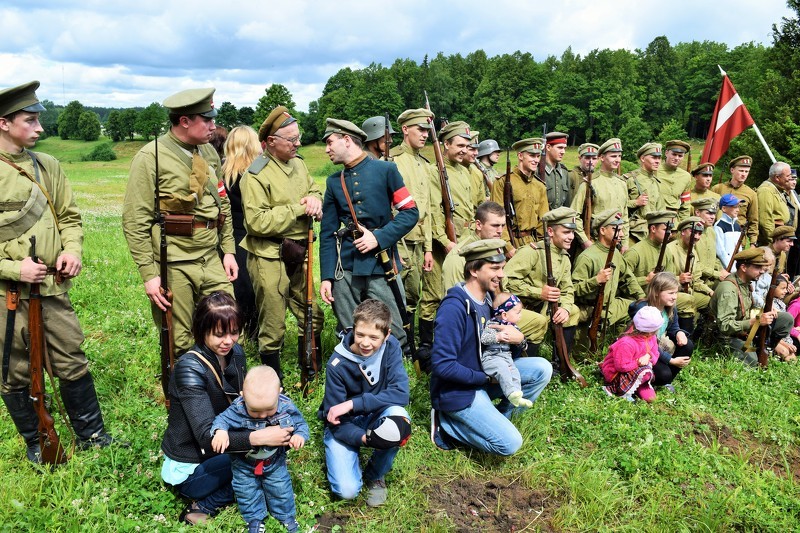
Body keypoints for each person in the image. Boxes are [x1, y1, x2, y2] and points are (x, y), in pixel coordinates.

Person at [0, 81, 115, 462]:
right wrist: (14, 268)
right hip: (7, 295)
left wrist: (72, 250)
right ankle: (38, 443)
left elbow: (69, 216)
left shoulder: (48, 166)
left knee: (71, 358)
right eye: (30, 121)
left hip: (51, 288)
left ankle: (93, 437)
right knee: (15, 371)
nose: (39, 128)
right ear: (4, 123)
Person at [161, 292, 295, 525]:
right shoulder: (188, 370)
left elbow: (243, 403)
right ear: (202, 330)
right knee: (262, 463)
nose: (228, 341)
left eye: (234, 332)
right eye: (219, 334)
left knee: (274, 450)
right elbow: (206, 437)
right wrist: (259, 437)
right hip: (194, 467)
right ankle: (204, 505)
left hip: (220, 449)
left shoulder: (236, 354)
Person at [123, 87, 238, 355]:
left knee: (227, 324)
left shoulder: (208, 152)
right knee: (180, 340)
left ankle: (223, 389)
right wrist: (149, 275)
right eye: (206, 120)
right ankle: (186, 394)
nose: (213, 125)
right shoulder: (151, 157)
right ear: (184, 121)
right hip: (174, 261)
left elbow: (223, 203)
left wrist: (229, 251)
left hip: (210, 257)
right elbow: (135, 220)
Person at [430, 239, 552, 455]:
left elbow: (498, 348)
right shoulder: (453, 308)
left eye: (502, 268)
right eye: (495, 268)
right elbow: (443, 367)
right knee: (510, 444)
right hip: (459, 391)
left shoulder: (489, 300)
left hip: (484, 375)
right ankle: (447, 426)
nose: (502, 275)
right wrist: (486, 379)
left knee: (542, 368)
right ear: (474, 270)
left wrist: (518, 341)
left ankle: (498, 422)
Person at [319, 118, 418, 352]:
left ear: (346, 140)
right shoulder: (334, 182)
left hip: (381, 264)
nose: (326, 149)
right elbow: (327, 233)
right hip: (346, 268)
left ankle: (390, 374)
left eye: (330, 142)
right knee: (349, 329)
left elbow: (410, 212)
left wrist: (379, 237)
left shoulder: (386, 171)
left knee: (395, 328)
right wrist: (327, 276)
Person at [241, 106, 324, 378]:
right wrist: (300, 209)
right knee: (274, 324)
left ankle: (311, 372)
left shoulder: (298, 163)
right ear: (271, 141)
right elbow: (256, 222)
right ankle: (271, 383)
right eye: (292, 140)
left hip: (299, 251)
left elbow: (313, 189)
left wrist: (316, 199)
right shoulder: (255, 174)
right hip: (269, 255)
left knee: (312, 314)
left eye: (298, 137)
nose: (298, 143)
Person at [319, 299, 411, 507]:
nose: (365, 343)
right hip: (343, 425)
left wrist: (353, 404)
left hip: (375, 413)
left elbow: (401, 394)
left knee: (400, 419)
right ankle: (347, 458)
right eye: (360, 335)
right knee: (347, 491)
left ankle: (375, 474)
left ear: (386, 335)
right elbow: (336, 421)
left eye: (374, 337)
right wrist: (367, 439)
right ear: (353, 329)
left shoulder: (391, 346)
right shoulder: (337, 363)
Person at [210, 366, 308, 533]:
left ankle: (285, 516)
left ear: (279, 393)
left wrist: (299, 435)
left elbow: (300, 424)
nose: (263, 416)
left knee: (281, 489)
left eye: (269, 409)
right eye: (255, 410)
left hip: (275, 461)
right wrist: (220, 431)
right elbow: (222, 419)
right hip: (243, 463)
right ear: (243, 396)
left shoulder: (286, 406)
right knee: (246, 492)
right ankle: (254, 519)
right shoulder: (238, 408)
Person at [417, 121, 480, 360]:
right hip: (443, 243)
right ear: (445, 145)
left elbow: (471, 207)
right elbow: (434, 209)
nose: (464, 150)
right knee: (433, 294)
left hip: (465, 240)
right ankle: (426, 346)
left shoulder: (465, 171)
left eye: (467, 145)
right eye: (460, 145)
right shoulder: (434, 172)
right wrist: (444, 241)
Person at [504, 207, 581, 360]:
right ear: (551, 232)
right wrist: (538, 292)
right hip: (523, 309)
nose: (571, 237)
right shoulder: (531, 252)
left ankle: (561, 364)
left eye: (572, 232)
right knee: (537, 322)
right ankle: (526, 363)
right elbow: (507, 281)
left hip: (546, 309)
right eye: (566, 232)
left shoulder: (564, 258)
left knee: (573, 311)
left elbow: (567, 290)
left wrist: (564, 308)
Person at [389, 109, 434, 349]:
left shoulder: (424, 164)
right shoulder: (393, 160)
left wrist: (428, 248)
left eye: (427, 130)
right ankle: (397, 344)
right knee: (394, 294)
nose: (425, 135)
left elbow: (426, 211)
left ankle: (409, 343)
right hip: (399, 241)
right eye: (421, 129)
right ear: (405, 129)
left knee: (414, 295)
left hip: (419, 241)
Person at [709, 247, 794, 366]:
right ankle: (751, 349)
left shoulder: (746, 283)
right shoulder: (729, 290)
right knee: (753, 362)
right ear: (743, 267)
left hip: (744, 330)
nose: (762, 271)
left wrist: (766, 310)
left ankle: (763, 347)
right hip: (726, 337)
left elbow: (748, 308)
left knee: (786, 319)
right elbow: (725, 326)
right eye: (757, 267)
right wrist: (756, 321)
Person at [221, 125, 262, 342]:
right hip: (252, 236)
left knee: (237, 286)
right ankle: (254, 332)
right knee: (253, 287)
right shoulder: (256, 173)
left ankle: (235, 330)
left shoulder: (222, 173)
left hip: (230, 238)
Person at [572, 209, 645, 329]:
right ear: (602, 230)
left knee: (641, 309)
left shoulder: (615, 252)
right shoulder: (587, 257)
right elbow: (573, 289)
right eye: (616, 230)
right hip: (590, 310)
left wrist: (641, 297)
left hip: (611, 306)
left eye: (621, 230)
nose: (621, 234)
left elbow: (627, 278)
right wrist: (595, 281)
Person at [628, 272, 693, 390]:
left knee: (687, 345)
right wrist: (671, 360)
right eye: (670, 293)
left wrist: (679, 333)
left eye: (676, 292)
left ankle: (666, 380)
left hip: (656, 348)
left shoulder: (670, 307)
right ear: (657, 292)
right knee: (664, 374)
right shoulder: (643, 309)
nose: (675, 297)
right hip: (641, 351)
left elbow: (673, 327)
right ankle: (639, 382)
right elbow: (647, 343)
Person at [490, 138, 548, 257]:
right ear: (520, 156)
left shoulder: (540, 186)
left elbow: (543, 221)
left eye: (538, 156)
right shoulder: (503, 182)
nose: (536, 160)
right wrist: (508, 247)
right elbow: (497, 218)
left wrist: (542, 245)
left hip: (533, 244)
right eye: (532, 156)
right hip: (511, 243)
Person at [570, 138, 630, 249]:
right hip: (596, 243)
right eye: (613, 156)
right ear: (601, 157)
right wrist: (585, 241)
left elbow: (625, 216)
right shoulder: (590, 182)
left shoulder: (622, 183)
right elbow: (574, 215)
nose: (617, 160)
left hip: (618, 244)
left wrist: (625, 242)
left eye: (619, 156)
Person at [479, 292, 533, 408]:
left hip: (506, 357)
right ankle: (510, 393)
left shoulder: (514, 327)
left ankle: (517, 395)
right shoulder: (492, 324)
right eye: (518, 312)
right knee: (503, 370)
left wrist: (521, 341)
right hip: (491, 357)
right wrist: (497, 337)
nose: (520, 316)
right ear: (504, 315)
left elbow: (523, 345)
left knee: (515, 373)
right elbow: (484, 338)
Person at [600, 306, 662, 403]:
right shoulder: (626, 343)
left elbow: (655, 355)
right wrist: (638, 362)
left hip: (636, 371)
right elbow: (621, 366)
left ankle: (637, 385)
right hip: (617, 373)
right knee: (645, 370)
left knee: (651, 398)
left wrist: (648, 356)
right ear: (650, 331)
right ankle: (615, 389)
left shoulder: (652, 338)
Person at [623, 210, 677, 293]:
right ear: (653, 229)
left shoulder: (666, 251)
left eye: (670, 230)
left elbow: (671, 276)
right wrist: (646, 280)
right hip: (639, 298)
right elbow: (622, 282)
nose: (669, 234)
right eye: (665, 230)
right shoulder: (635, 252)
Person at [712, 155, 758, 246]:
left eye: (746, 171)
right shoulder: (718, 189)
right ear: (732, 170)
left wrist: (753, 242)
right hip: (718, 237)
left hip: (738, 239)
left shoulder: (751, 194)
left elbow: (753, 220)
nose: (744, 174)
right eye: (741, 171)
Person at [625, 143, 666, 244]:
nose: (657, 161)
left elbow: (661, 209)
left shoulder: (656, 182)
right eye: (654, 157)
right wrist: (635, 203)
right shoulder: (630, 179)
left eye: (659, 158)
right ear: (643, 158)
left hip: (653, 233)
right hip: (634, 233)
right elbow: (617, 205)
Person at [691, 197, 727, 288]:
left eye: (714, 213)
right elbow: (694, 264)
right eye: (709, 213)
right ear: (697, 212)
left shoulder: (711, 231)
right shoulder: (690, 232)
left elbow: (713, 258)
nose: (713, 217)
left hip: (710, 279)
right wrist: (717, 274)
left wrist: (722, 270)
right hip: (695, 281)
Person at [756, 161, 792, 246]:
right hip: (770, 244)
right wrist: (773, 242)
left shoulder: (776, 190)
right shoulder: (766, 191)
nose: (790, 178)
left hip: (779, 239)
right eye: (787, 176)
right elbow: (765, 221)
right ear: (777, 177)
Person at [657, 140, 693, 221]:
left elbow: (685, 205)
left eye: (680, 156)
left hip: (674, 220)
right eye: (674, 154)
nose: (676, 158)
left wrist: (683, 224)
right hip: (655, 217)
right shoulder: (654, 171)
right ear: (666, 153)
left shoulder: (686, 176)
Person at [541, 131, 572, 210]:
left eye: (564, 148)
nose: (563, 152)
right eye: (560, 148)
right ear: (548, 147)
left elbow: (567, 203)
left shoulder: (564, 172)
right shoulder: (538, 170)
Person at [714, 194, 743, 270]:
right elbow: (721, 252)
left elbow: (739, 248)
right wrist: (731, 269)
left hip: (738, 268)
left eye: (738, 206)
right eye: (734, 207)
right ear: (724, 208)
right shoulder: (719, 226)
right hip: (726, 269)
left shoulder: (737, 226)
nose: (738, 210)